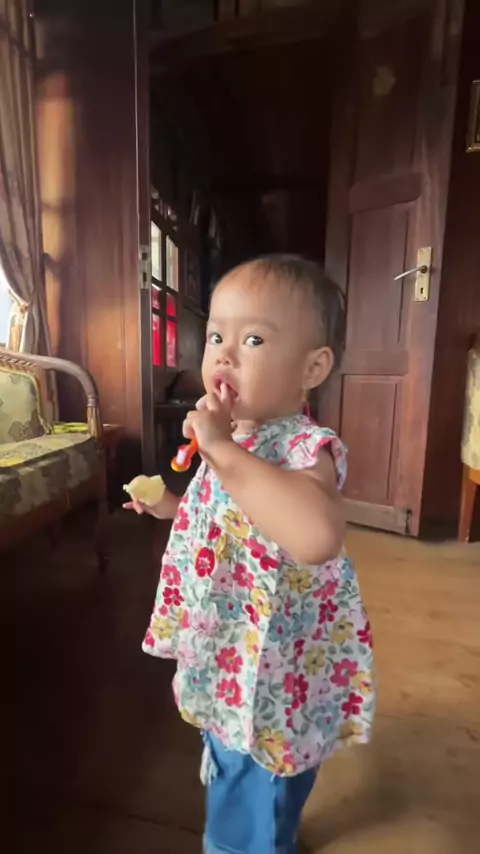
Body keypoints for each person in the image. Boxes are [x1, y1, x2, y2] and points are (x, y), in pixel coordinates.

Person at [124, 255, 375, 854]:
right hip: (230, 638)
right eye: (216, 337)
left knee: (256, 765)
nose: (224, 356)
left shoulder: (303, 445)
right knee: (234, 749)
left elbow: (316, 536)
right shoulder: (233, 438)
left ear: (312, 368)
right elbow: (227, 512)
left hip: (273, 660)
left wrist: (221, 449)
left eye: (254, 339)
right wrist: (171, 506)